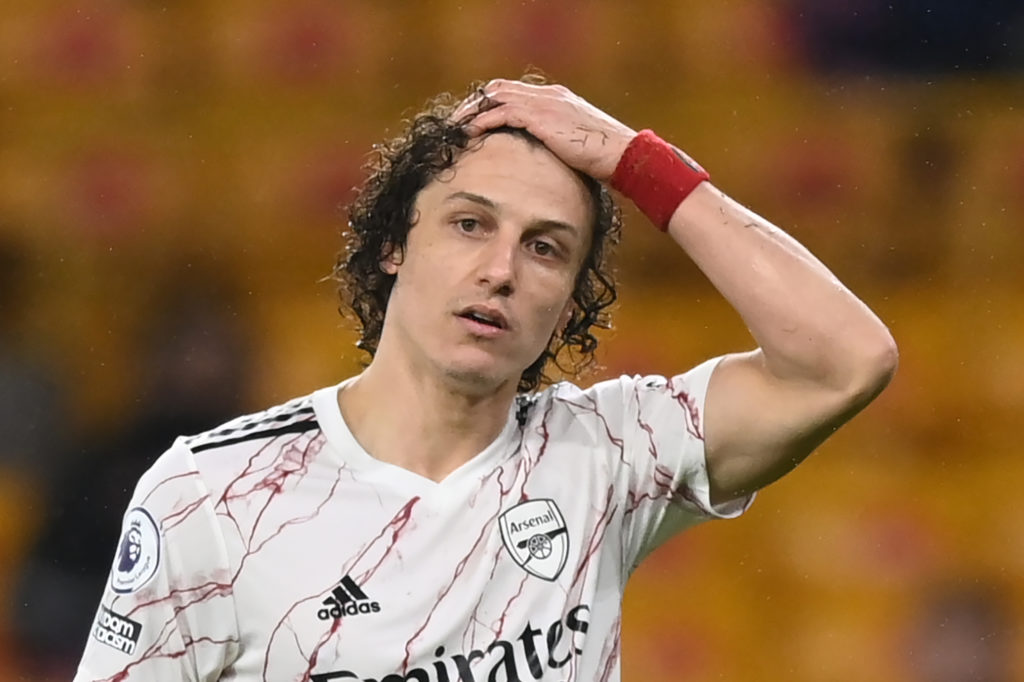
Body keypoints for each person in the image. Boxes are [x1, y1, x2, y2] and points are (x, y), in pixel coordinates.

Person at [73, 77, 897, 682]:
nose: (501, 269)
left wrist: (633, 160)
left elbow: (845, 361)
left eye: (545, 248)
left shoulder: (605, 454)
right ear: (394, 245)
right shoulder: (210, 496)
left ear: (570, 297)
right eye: (470, 224)